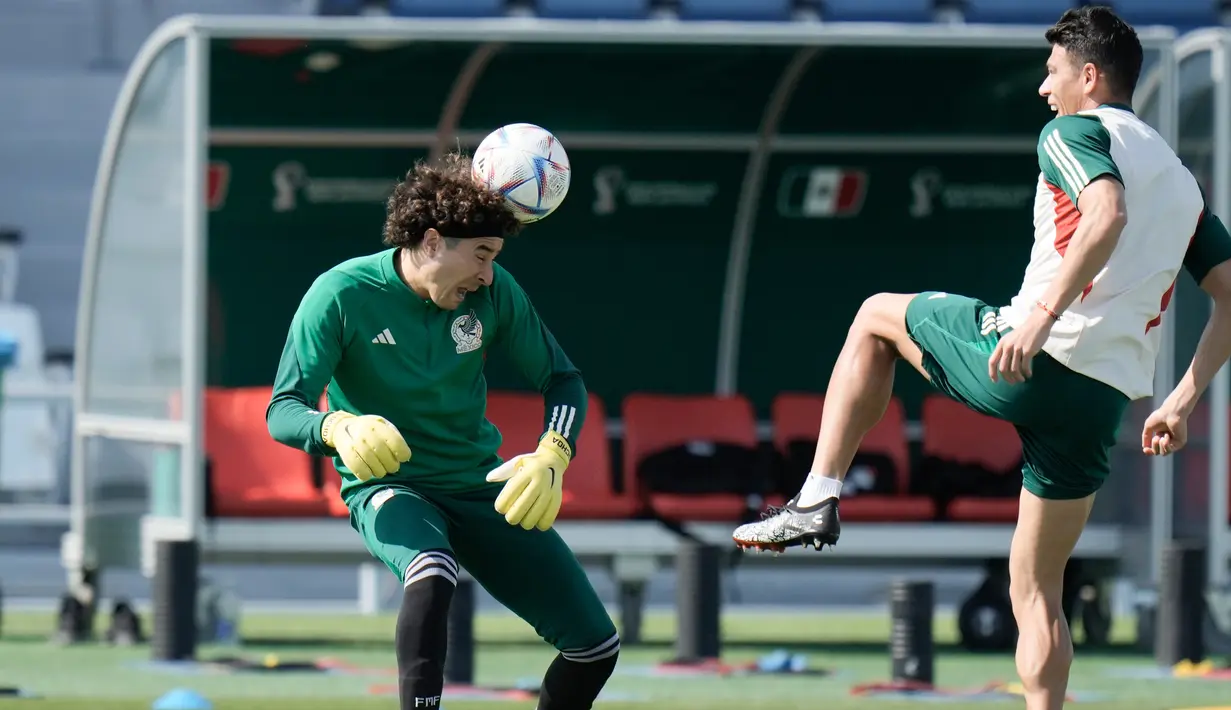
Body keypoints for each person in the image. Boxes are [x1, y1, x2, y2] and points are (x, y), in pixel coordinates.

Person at [732, 6, 1231, 709]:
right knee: (1035, 588)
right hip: (1099, 402)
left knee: (874, 315)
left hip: (1033, 360)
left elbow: (1105, 211)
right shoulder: (1180, 181)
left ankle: (815, 498)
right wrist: (1179, 400)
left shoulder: (1072, 129)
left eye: (1052, 71)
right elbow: (1229, 294)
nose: (1041, 88)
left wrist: (1039, 321)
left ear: (1088, 77)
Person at [266, 153, 619, 710]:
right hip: (393, 488)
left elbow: (563, 380)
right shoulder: (340, 293)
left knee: (595, 646)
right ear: (431, 242)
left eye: (494, 257)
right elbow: (283, 409)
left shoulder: (495, 292)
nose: (486, 273)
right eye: (481, 255)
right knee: (432, 569)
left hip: (480, 487)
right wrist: (334, 425)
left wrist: (553, 452)